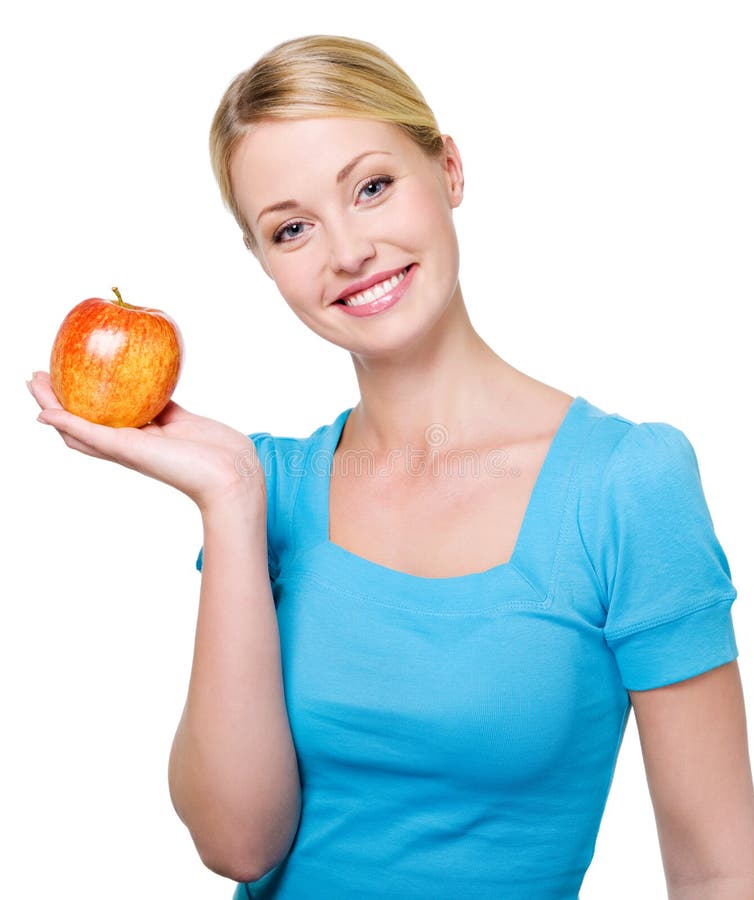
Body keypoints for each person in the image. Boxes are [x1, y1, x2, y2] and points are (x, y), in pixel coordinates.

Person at [28, 33, 754, 900]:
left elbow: (721, 870)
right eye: (290, 228)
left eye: (371, 187)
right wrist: (229, 501)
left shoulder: (625, 484)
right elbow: (237, 844)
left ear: (447, 169)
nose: (347, 251)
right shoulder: (271, 488)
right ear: (264, 265)